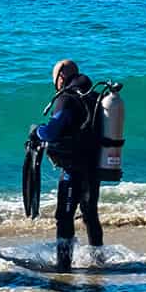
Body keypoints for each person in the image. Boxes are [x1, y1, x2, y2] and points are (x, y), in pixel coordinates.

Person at [32, 58, 104, 270]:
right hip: (95, 166)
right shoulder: (95, 96)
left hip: (73, 168)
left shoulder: (66, 99)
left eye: (54, 79)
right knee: (90, 214)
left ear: (61, 76)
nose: (54, 83)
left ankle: (64, 265)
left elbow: (52, 132)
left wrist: (36, 131)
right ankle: (98, 262)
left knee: (64, 217)